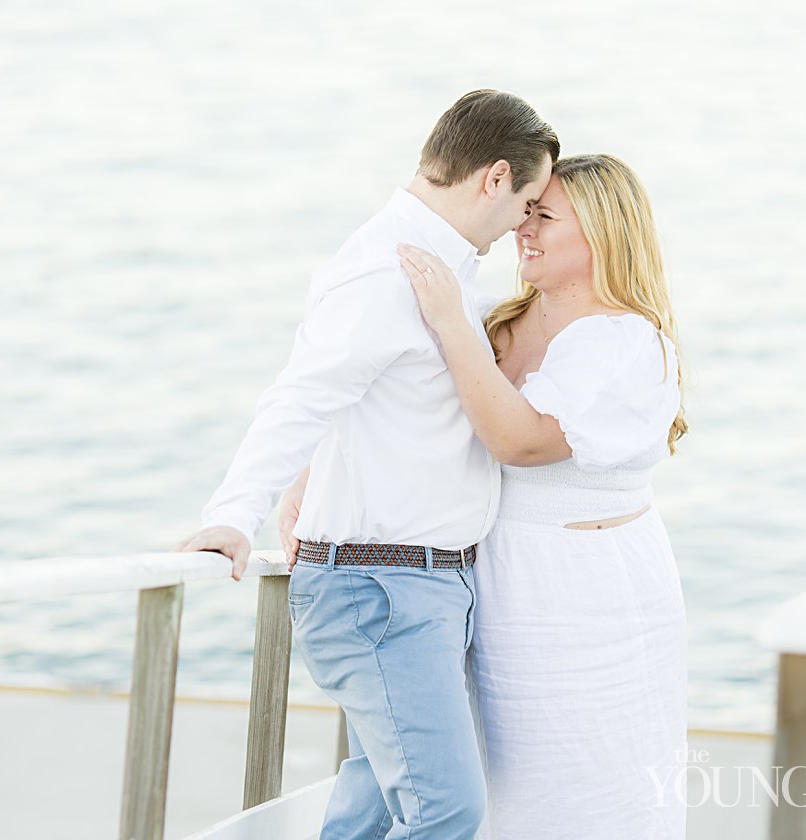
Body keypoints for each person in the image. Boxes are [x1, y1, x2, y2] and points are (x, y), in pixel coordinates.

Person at [176, 90, 561, 839]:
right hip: (381, 586)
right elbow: (302, 396)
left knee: (378, 803)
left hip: (415, 585)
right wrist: (231, 514)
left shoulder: (435, 268)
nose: (525, 224)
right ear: (494, 177)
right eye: (528, 201)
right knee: (445, 807)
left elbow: (368, 401)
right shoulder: (388, 271)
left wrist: (307, 478)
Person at [393, 153, 689, 838]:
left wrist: (451, 323)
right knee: (510, 788)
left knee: (595, 788)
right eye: (524, 212)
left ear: (602, 234)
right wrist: (304, 485)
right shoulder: (497, 321)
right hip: (501, 582)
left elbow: (521, 441)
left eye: (543, 216)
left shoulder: (625, 340)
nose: (522, 229)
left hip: (593, 595)